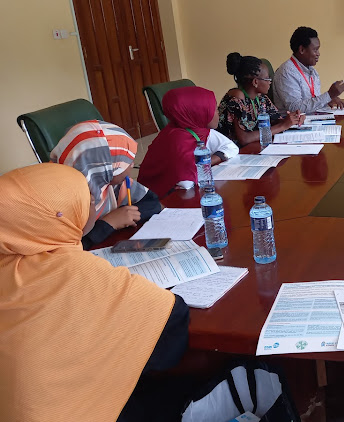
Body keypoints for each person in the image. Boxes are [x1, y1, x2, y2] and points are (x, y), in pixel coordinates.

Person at [0, 163, 189, 421]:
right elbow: (170, 328)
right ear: (60, 215)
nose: (94, 205)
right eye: (86, 200)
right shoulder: (76, 271)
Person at [50, 119, 161, 250]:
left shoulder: (109, 183)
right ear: (105, 167)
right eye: (125, 161)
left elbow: (153, 203)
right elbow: (71, 247)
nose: (132, 165)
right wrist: (110, 223)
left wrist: (128, 215)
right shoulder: (62, 202)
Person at [138, 85, 239, 197]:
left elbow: (232, 147)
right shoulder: (177, 139)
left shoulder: (199, 130)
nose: (218, 113)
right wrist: (204, 165)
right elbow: (186, 183)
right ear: (198, 112)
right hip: (158, 201)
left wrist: (207, 162)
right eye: (214, 109)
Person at [218, 53, 304, 146]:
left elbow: (276, 121)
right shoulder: (236, 98)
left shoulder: (261, 98)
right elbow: (244, 139)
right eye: (267, 79)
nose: (270, 82)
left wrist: (293, 119)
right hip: (233, 153)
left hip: (255, 148)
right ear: (255, 82)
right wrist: (282, 126)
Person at [273, 26, 344, 113]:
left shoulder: (312, 71)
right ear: (302, 50)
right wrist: (329, 95)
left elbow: (311, 102)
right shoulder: (286, 72)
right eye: (315, 50)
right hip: (296, 125)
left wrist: (328, 100)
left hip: (312, 120)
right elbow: (295, 108)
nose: (318, 54)